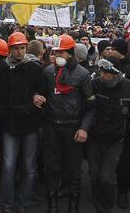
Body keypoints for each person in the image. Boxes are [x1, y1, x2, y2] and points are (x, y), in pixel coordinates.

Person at [38, 34, 94, 213]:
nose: (57, 56)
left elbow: (90, 106)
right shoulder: (47, 72)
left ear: (70, 53)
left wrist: (84, 128)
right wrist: (37, 98)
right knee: (51, 168)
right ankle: (52, 205)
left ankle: (73, 205)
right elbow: (42, 94)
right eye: (55, 52)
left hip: (73, 128)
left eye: (61, 52)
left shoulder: (83, 74)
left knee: (73, 169)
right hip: (52, 127)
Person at [0, 31, 44, 213]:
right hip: (9, 125)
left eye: (22, 48)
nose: (19, 52)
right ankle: (7, 205)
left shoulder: (35, 69)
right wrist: (0, 112)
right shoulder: (1, 69)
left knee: (29, 167)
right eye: (16, 48)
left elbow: (41, 94)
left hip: (29, 125)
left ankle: (23, 203)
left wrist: (30, 107)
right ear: (10, 49)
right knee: (8, 166)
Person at [88, 58, 130, 213]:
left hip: (116, 139)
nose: (103, 75)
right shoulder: (95, 84)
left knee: (106, 178)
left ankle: (107, 206)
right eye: (102, 71)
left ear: (115, 73)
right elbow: (89, 108)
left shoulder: (128, 86)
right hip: (95, 137)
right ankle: (98, 205)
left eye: (106, 72)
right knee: (94, 176)